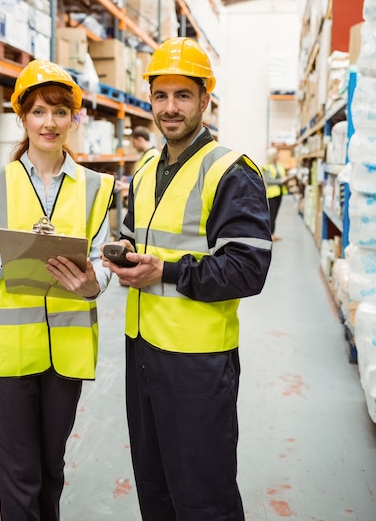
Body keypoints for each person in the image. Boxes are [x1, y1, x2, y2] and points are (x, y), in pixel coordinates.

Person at [102, 37, 272, 521]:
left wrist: (168, 270)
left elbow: (248, 268)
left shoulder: (231, 172)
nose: (169, 108)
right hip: (142, 348)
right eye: (160, 95)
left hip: (197, 360)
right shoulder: (145, 168)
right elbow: (136, 238)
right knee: (153, 485)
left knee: (202, 495)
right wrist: (122, 256)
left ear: (205, 100)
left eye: (182, 95)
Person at [0, 59, 114, 521]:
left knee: (51, 467)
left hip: (68, 348)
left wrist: (95, 282)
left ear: (74, 118)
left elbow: (101, 260)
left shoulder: (97, 187)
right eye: (37, 111)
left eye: (58, 111)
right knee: (19, 472)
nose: (48, 122)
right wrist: (18, 257)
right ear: (22, 117)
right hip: (10, 350)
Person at [262, 146, 290, 241]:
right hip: (272, 194)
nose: (278, 155)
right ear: (272, 156)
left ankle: (272, 234)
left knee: (275, 214)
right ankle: (268, 234)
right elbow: (269, 181)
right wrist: (281, 180)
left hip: (279, 193)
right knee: (271, 215)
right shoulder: (266, 167)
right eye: (276, 154)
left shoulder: (279, 165)